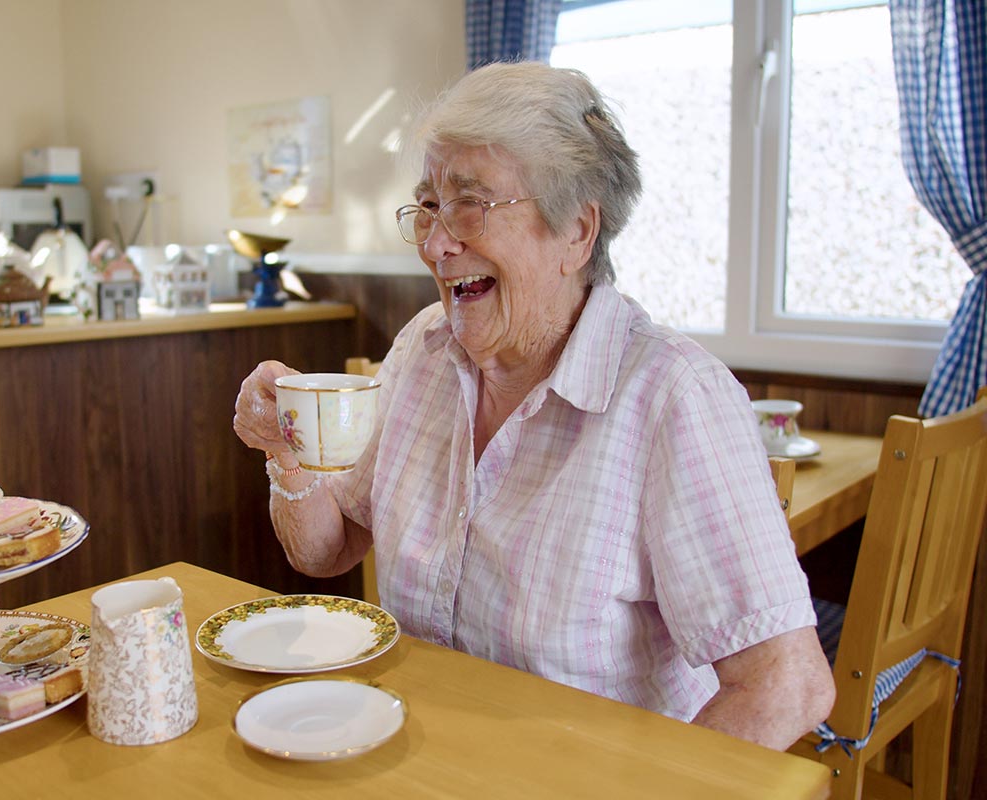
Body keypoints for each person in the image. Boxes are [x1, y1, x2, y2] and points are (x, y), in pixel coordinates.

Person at [233, 61, 834, 750]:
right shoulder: (421, 351)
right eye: (428, 205)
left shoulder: (673, 398)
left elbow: (787, 686)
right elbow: (327, 549)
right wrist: (286, 447)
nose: (436, 243)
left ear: (576, 232)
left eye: (470, 204)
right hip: (416, 753)